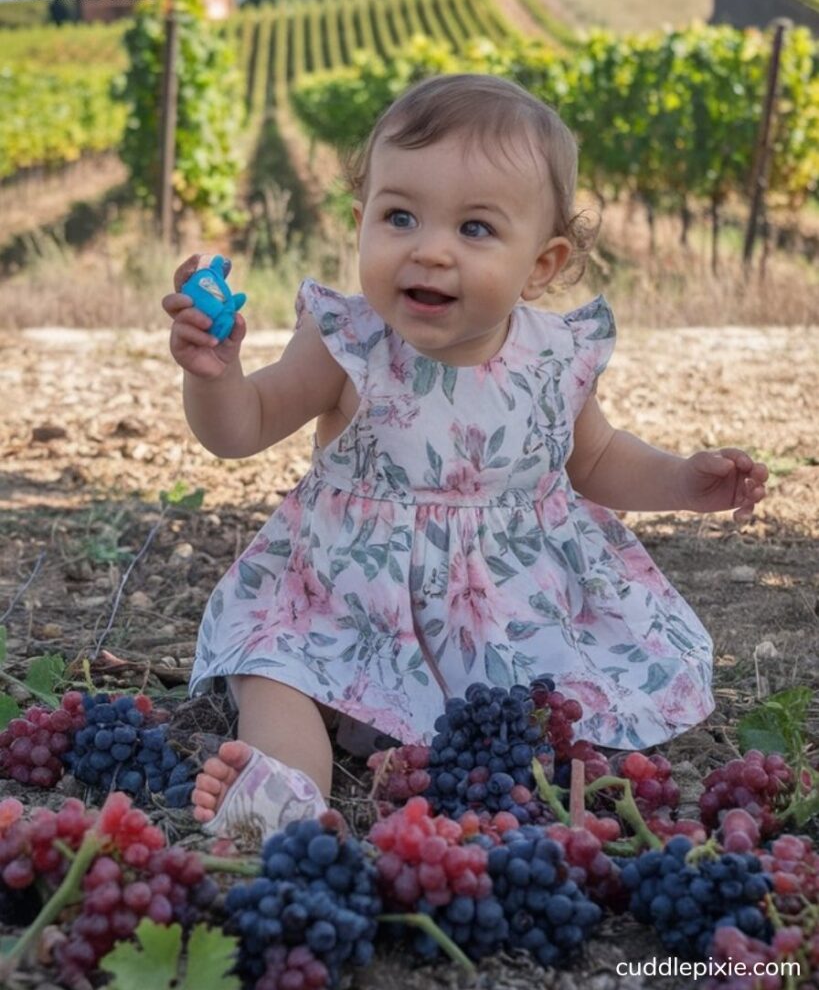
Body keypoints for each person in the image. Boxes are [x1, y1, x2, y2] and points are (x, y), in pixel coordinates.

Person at [161, 73, 768, 839]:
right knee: (276, 668)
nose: (430, 250)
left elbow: (596, 460)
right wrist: (214, 377)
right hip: (345, 600)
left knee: (553, 719)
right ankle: (284, 802)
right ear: (360, 223)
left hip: (506, 611)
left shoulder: (553, 357)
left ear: (541, 264)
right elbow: (240, 429)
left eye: (474, 229)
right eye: (400, 216)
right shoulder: (348, 343)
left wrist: (684, 481)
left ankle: (486, 782)